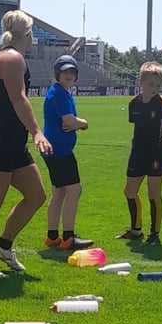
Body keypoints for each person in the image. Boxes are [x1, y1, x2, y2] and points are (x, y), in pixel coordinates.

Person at [0, 10, 52, 278]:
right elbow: (19, 99)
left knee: (36, 195)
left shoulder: (6, 57)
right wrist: (37, 131)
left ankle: (3, 245)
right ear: (26, 33)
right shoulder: (12, 58)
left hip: (10, 141)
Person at [115, 61, 162, 246]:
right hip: (137, 152)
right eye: (150, 84)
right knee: (129, 191)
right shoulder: (133, 104)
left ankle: (155, 233)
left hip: (157, 154)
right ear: (141, 82)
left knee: (153, 193)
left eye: (158, 85)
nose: (154, 88)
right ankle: (136, 230)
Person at [42, 55, 94, 250]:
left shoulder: (60, 92)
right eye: (65, 71)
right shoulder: (59, 94)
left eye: (72, 72)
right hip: (60, 151)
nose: (69, 75)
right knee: (74, 190)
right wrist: (84, 123)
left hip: (55, 150)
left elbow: (69, 122)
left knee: (59, 192)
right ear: (57, 73)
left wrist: (75, 123)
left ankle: (53, 235)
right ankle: (69, 237)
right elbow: (70, 122)